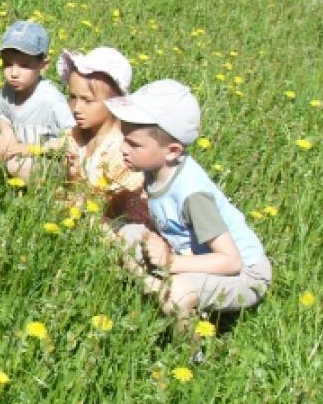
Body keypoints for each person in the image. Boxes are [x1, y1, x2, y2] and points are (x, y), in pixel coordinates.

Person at [109, 80, 271, 325]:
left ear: (172, 151)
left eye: (134, 144)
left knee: (178, 294)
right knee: (126, 234)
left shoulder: (192, 196)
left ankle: (191, 355)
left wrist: (171, 262)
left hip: (244, 274)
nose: (123, 148)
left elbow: (231, 260)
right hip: (196, 257)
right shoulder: (155, 169)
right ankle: (155, 289)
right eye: (124, 138)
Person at [56, 47, 148, 224]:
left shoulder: (121, 148)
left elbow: (117, 205)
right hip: (84, 209)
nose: (76, 108)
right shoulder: (76, 135)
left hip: (120, 222)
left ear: (114, 102)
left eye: (87, 100)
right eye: (73, 97)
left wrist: (76, 184)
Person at [0, 20, 75, 181]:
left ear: (43, 65)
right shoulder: (7, 90)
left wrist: (32, 149)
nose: (14, 73)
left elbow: (71, 137)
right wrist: (8, 136)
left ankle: (48, 194)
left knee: (18, 164)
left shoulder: (50, 98)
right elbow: (3, 116)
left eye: (24, 65)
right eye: (7, 64)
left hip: (48, 159)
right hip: (19, 150)